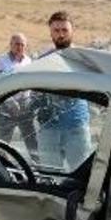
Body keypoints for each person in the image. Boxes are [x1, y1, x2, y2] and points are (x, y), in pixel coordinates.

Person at [36, 12, 91, 170]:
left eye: (64, 30)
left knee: (81, 176)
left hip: (76, 126)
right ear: (51, 33)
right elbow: (35, 93)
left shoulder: (83, 59)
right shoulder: (43, 60)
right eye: (56, 31)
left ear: (72, 31)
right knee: (49, 176)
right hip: (48, 128)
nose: (61, 35)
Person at [0, 33, 38, 159]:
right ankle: (1, 166)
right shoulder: (2, 61)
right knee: (3, 142)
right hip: (6, 107)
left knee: (31, 140)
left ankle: (38, 166)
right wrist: (10, 102)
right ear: (11, 45)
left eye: (22, 45)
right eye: (17, 44)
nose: (19, 47)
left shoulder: (28, 61)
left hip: (25, 106)